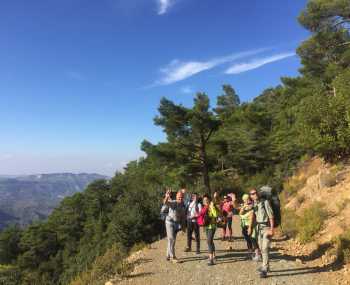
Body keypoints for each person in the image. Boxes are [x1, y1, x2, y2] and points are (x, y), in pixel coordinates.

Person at [249, 188, 274, 278]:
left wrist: (272, 229)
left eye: (255, 193)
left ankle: (264, 268)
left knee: (265, 248)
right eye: (252, 194)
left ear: (258, 193)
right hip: (258, 228)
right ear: (250, 196)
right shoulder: (254, 204)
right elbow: (240, 209)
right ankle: (267, 266)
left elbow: (271, 216)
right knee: (261, 247)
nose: (254, 195)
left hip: (266, 227)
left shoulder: (265, 202)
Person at [163, 190, 187, 263]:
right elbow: (165, 202)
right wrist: (167, 196)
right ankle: (172, 257)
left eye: (181, 197)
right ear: (176, 197)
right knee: (171, 239)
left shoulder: (183, 205)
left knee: (172, 240)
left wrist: (183, 228)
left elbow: (183, 218)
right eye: (179, 197)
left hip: (176, 224)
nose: (180, 198)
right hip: (169, 222)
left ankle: (168, 255)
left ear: (183, 198)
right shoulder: (174, 202)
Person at [199, 194, 219, 266]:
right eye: (204, 200)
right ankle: (213, 255)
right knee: (210, 241)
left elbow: (216, 215)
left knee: (209, 241)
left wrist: (212, 207)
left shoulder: (211, 206)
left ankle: (211, 259)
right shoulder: (204, 207)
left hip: (212, 226)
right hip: (207, 227)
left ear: (209, 200)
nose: (205, 201)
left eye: (207, 200)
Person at [239, 194, 259, 259]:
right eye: (245, 199)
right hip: (244, 226)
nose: (246, 200)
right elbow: (240, 213)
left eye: (247, 199)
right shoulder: (244, 206)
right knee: (248, 240)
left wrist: (250, 227)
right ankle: (250, 253)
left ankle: (258, 254)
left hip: (250, 225)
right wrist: (244, 207)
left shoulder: (252, 206)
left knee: (253, 239)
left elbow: (252, 216)